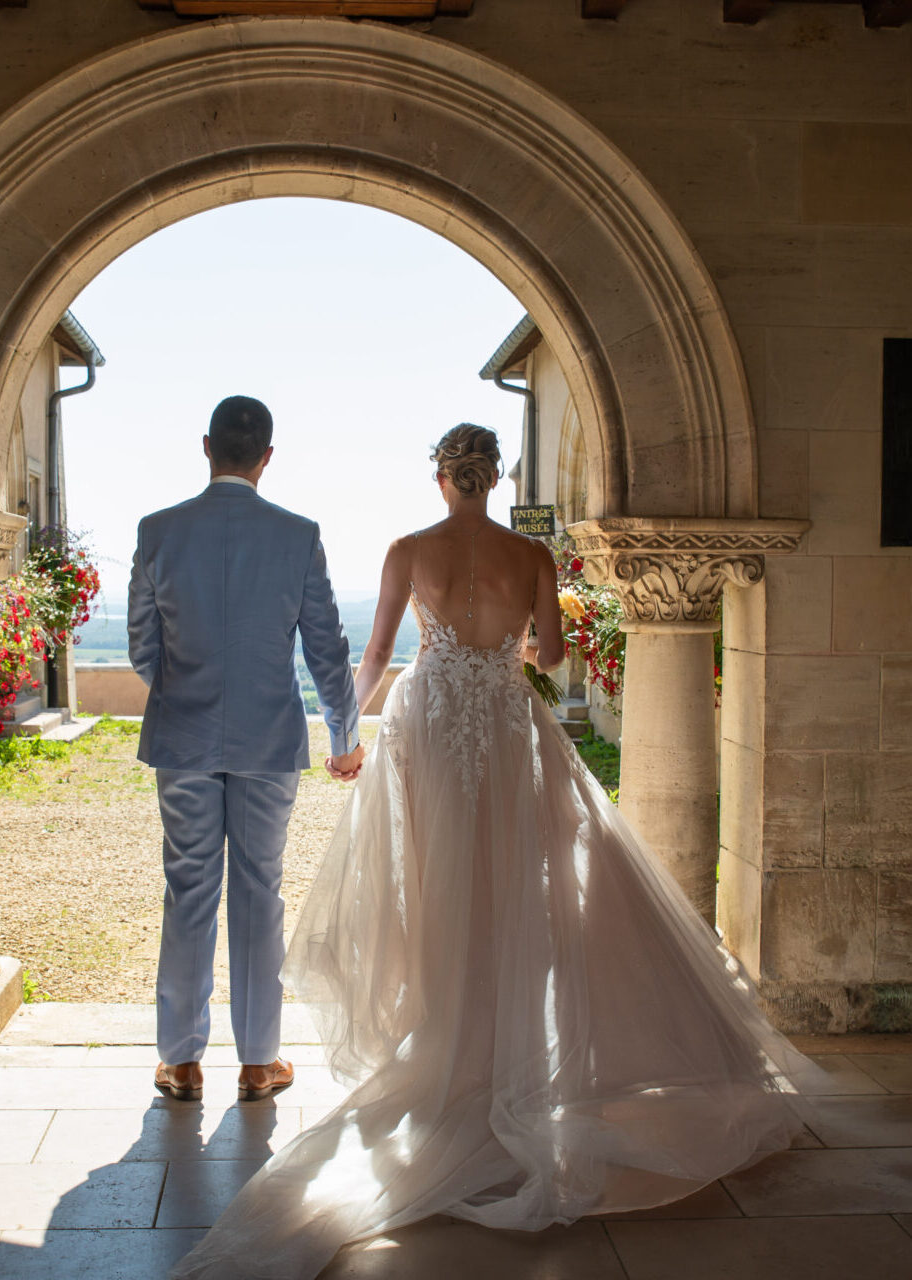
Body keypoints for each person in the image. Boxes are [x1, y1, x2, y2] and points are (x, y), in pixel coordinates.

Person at [170, 423, 823, 1280]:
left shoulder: (409, 548)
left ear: (442, 477)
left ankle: (444, 1029)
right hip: (509, 728)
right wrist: (510, 648)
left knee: (433, 880)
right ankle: (505, 1040)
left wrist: (342, 734)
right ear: (494, 476)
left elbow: (372, 655)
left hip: (433, 724)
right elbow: (549, 653)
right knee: (520, 879)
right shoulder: (532, 557)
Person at [128, 394, 364, 1105]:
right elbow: (327, 647)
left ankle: (180, 1061)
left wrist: (182, 690)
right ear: (267, 456)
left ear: (207, 448)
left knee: (189, 889)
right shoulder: (297, 535)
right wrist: (345, 736)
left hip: (184, 734)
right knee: (260, 892)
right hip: (268, 736)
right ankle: (260, 1063)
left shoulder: (158, 530)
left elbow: (143, 646)